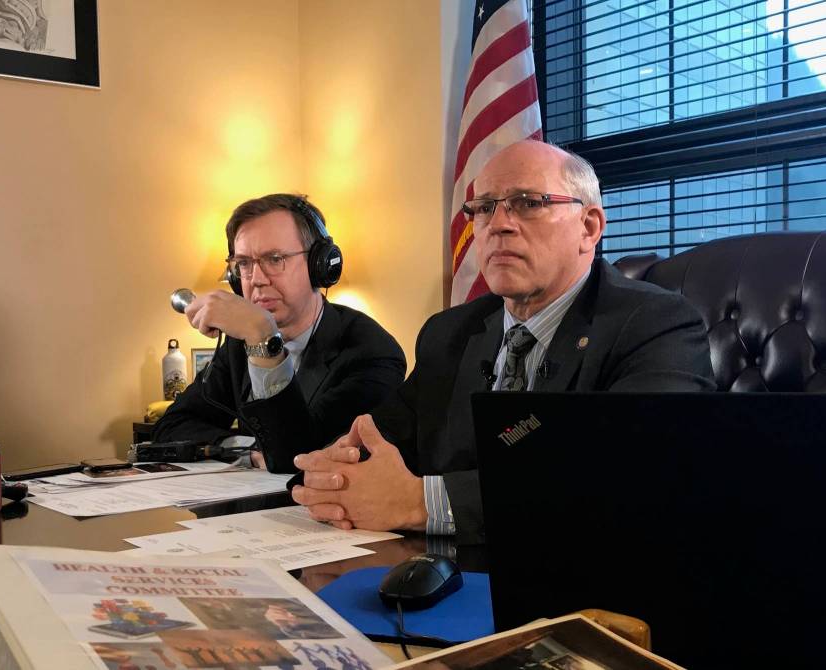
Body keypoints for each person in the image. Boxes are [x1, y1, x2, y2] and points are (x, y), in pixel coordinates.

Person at [289, 141, 716, 544]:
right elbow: (379, 438)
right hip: (445, 575)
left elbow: (631, 477)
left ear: (589, 227)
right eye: (484, 208)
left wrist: (421, 503)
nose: (498, 225)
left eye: (529, 204)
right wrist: (335, 474)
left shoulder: (657, 324)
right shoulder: (449, 332)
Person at [152, 194, 406, 472]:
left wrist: (263, 341)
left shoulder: (373, 352)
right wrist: (247, 449)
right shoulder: (239, 343)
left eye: (274, 259)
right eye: (245, 264)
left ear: (319, 265)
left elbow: (299, 456)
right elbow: (171, 426)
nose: (257, 279)